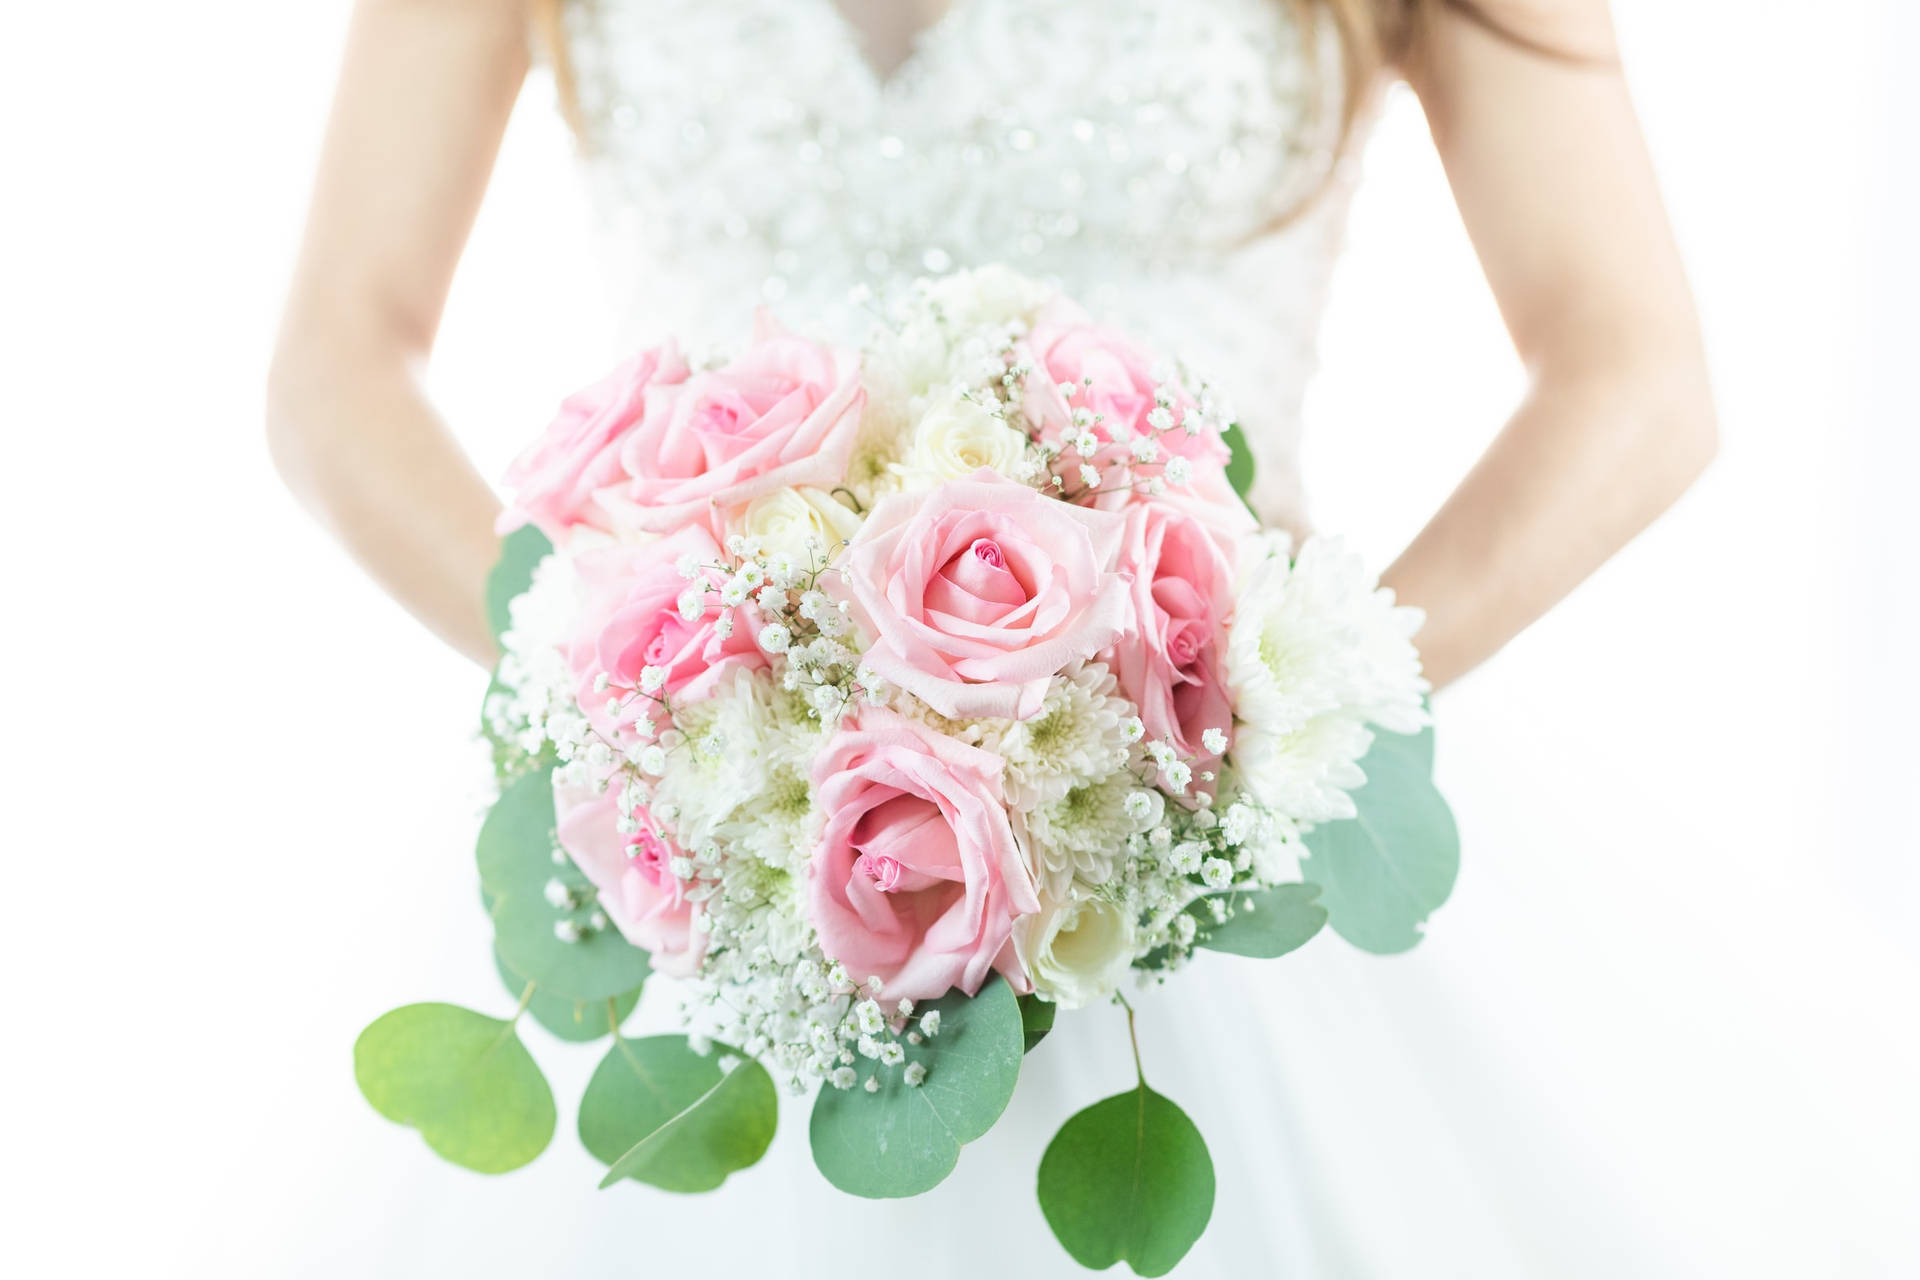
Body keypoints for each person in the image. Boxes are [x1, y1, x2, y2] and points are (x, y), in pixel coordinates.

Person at [267, 2, 1818, 1274]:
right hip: (706, 848)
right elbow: (337, 360)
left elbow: (1634, 373)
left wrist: (1270, 725)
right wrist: (640, 710)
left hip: (1222, 850)